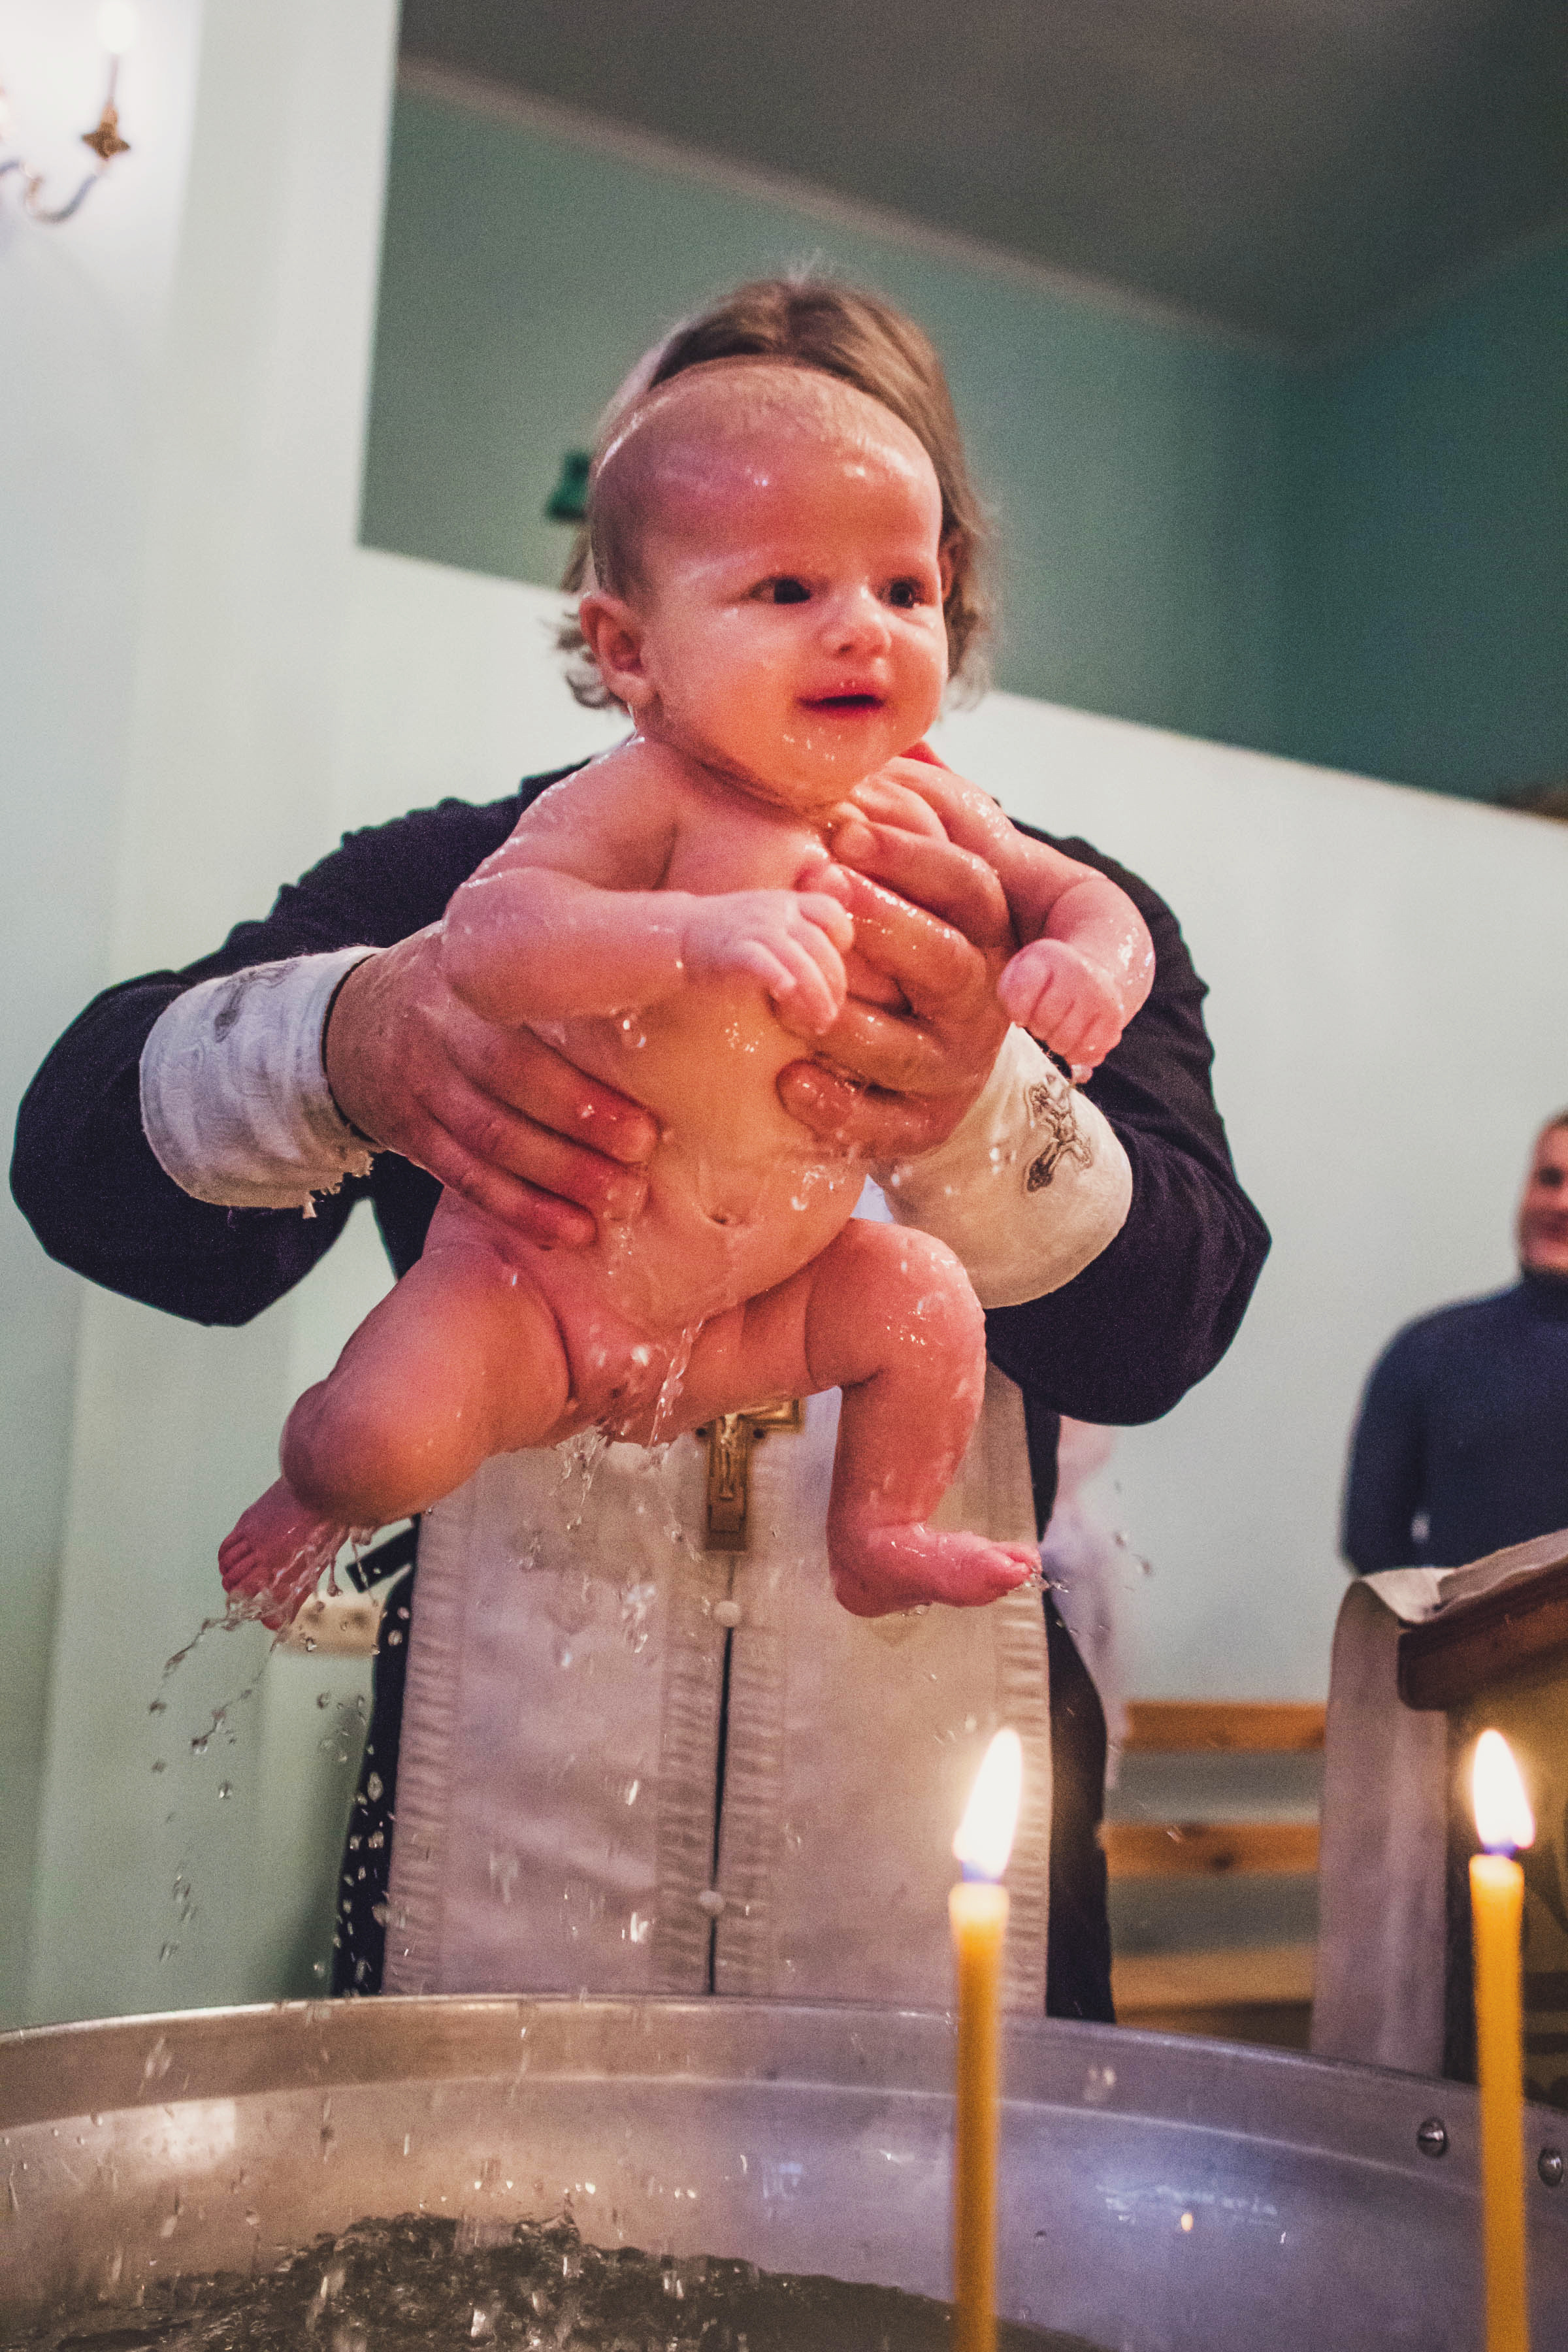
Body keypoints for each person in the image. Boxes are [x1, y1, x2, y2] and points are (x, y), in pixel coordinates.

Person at [11, 277, 1268, 2019]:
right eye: (766, 560)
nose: (843, 612)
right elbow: (83, 1170)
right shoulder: (469, 885)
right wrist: (350, 1040)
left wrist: (978, 1091)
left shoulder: (1014, 900)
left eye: (886, 562)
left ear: (940, 580)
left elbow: (1172, 1319)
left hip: (941, 1852)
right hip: (495, 1805)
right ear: (628, 617)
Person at [220, 361, 1153, 1627]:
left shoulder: (936, 815)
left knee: (922, 1301)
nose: (862, 627)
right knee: (373, 1449)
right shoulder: (642, 801)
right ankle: (309, 1479)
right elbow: (490, 938)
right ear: (630, 649)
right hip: (534, 1291)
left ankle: (876, 1529)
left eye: (903, 588)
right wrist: (694, 936)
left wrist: (1080, 969)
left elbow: (1099, 909)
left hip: (757, 1316)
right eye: (786, 587)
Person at [1343, 1113, 1568, 1572]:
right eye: (1550, 1178)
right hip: (1466, 1642)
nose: (1562, 1202)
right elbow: (1371, 1540)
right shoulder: (1429, 1350)